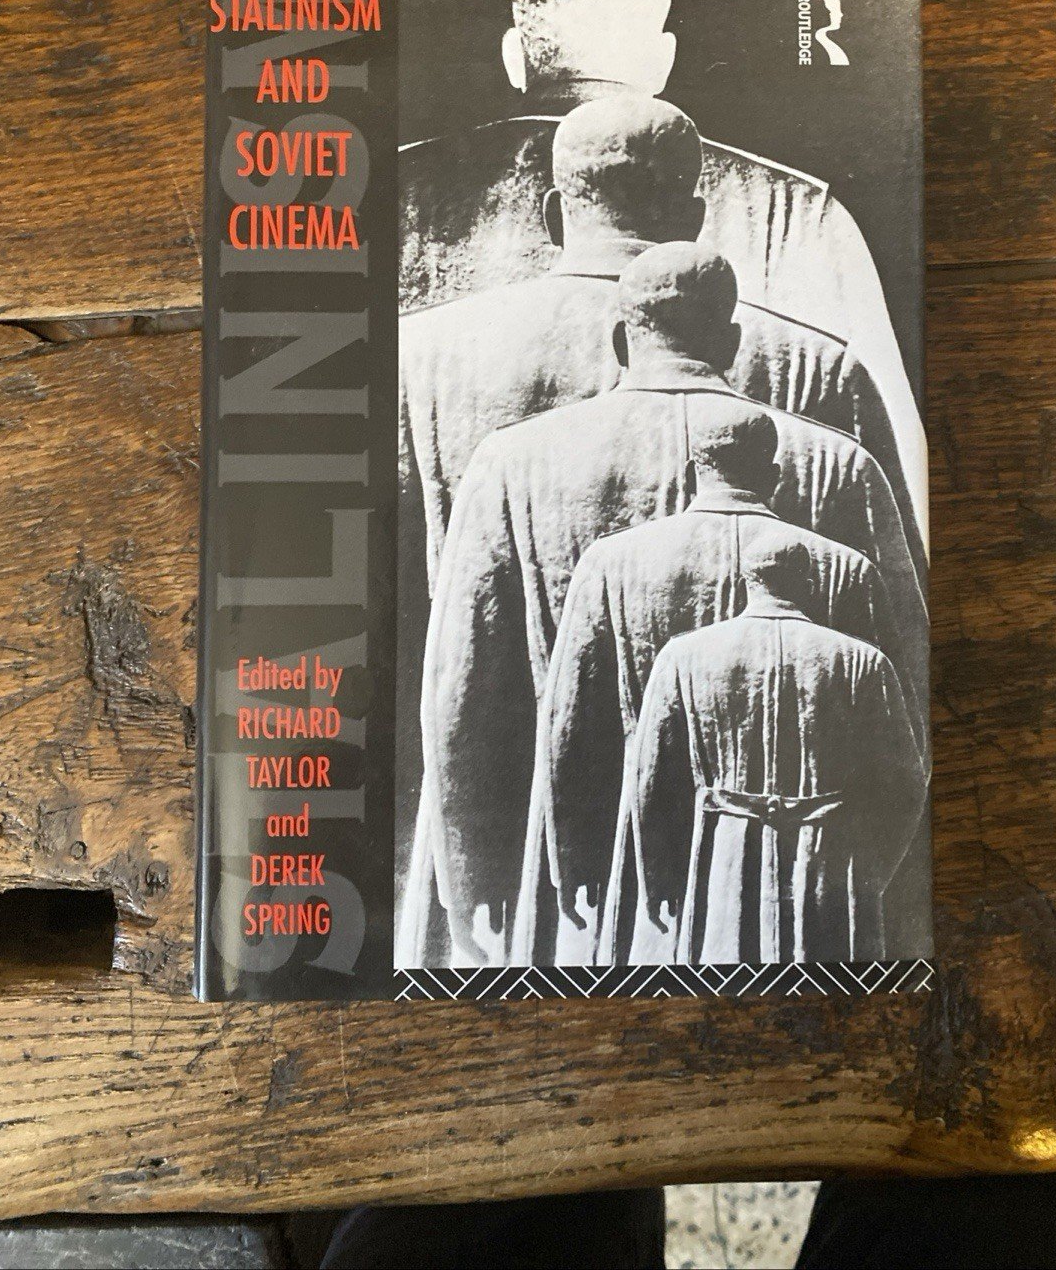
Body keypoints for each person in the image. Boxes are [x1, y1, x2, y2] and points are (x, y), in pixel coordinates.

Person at [396, 96, 921, 954]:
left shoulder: (423, 357)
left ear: (554, 212)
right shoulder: (821, 371)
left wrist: (469, 881)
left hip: (526, 867)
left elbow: (439, 666)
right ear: (695, 215)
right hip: (768, 877)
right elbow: (898, 663)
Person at [399, 0, 928, 547]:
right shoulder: (797, 211)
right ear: (662, 61)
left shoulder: (391, 193)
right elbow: (897, 498)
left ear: (515, 57)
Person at [514, 399, 925, 968]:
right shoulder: (848, 569)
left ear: (692, 471)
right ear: (774, 474)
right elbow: (899, 752)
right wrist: (866, 870)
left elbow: (569, 732)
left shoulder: (610, 563)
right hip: (817, 876)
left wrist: (572, 860)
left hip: (655, 861)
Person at [619, 531, 927, 967]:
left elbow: (650, 783)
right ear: (809, 582)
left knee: (725, 977)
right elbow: (906, 786)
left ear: (747, 581)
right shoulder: (865, 661)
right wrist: (869, 875)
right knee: (828, 985)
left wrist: (658, 881)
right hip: (829, 863)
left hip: (725, 859)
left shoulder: (682, 656)